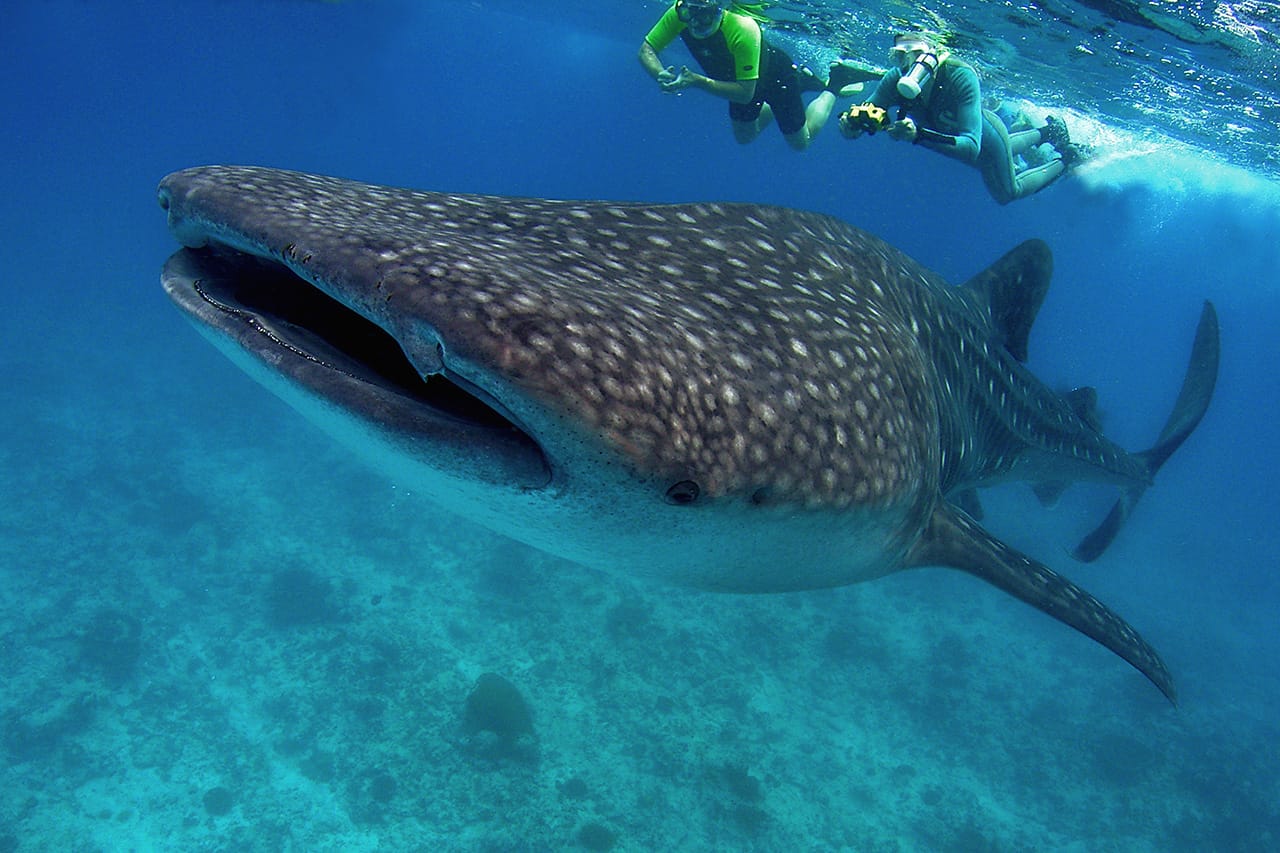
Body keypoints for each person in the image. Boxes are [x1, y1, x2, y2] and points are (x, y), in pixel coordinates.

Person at [838, 32, 1079, 204]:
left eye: (915, 56)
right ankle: (1048, 132)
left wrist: (917, 135)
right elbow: (867, 111)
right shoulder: (894, 79)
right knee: (996, 157)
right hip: (958, 140)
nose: (908, 66)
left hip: (984, 135)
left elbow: (972, 147)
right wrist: (850, 126)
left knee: (1007, 192)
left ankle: (1068, 159)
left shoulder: (960, 75)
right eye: (900, 57)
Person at [639, 0, 873, 151]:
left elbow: (744, 94)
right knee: (744, 137)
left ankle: (834, 84)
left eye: (703, 17)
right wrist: (659, 73)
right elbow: (647, 49)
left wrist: (699, 82)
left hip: (776, 78)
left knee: (801, 142)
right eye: (690, 14)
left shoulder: (742, 29)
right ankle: (803, 82)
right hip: (738, 83)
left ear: (717, 9)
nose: (695, 24)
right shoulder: (681, 13)